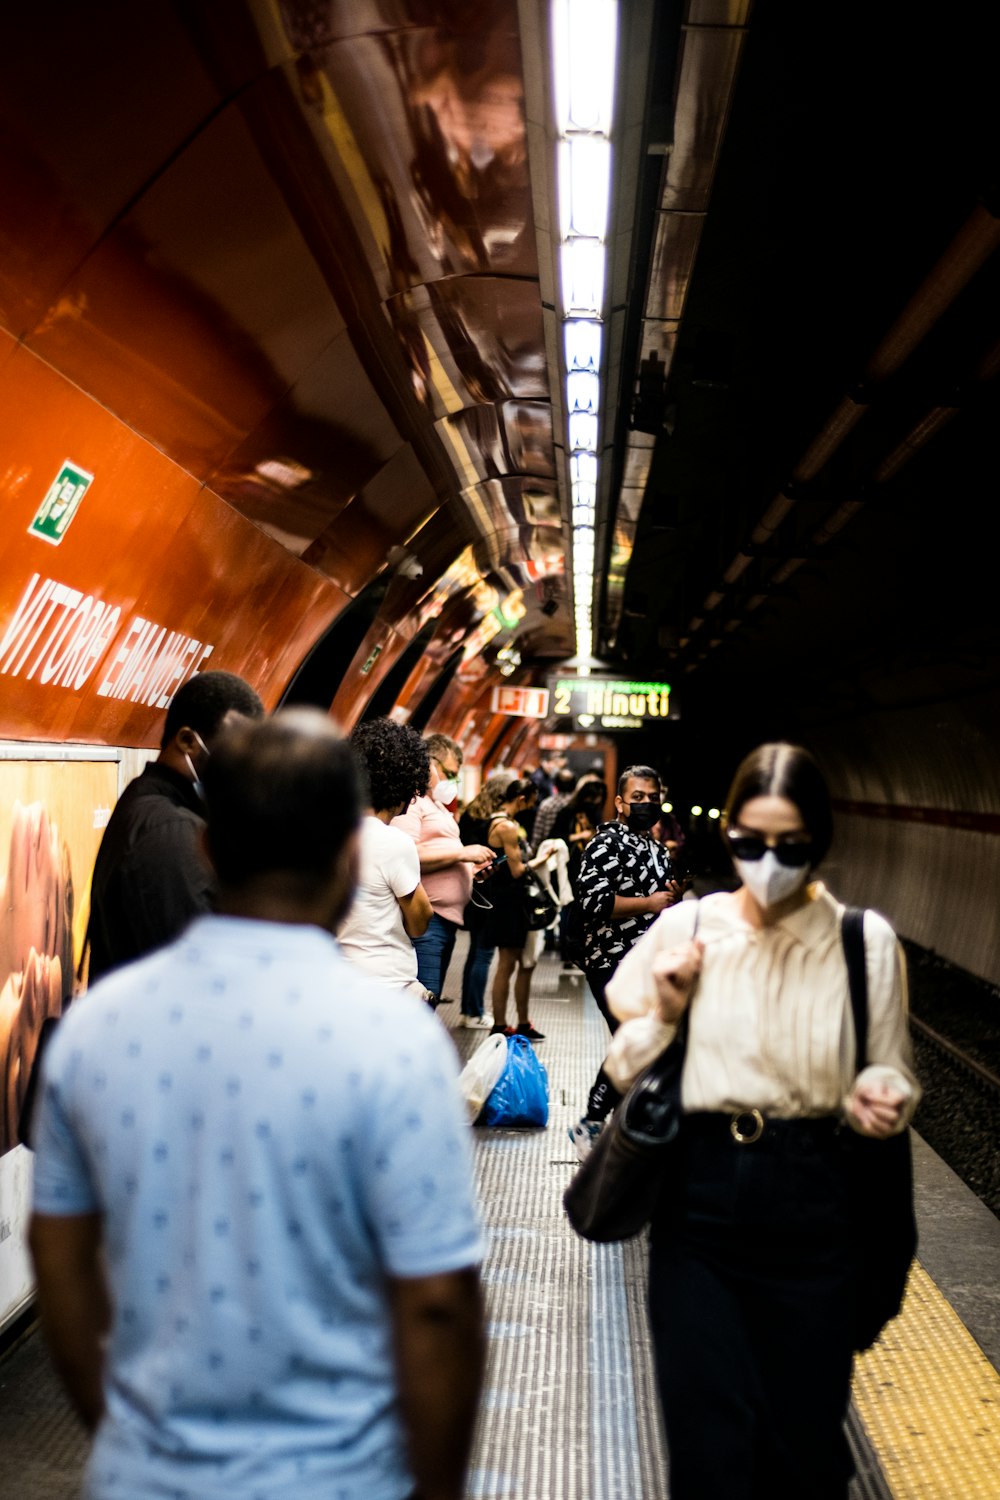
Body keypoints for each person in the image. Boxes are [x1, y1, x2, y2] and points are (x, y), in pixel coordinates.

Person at [29, 708, 486, 1500]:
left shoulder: (95, 1032)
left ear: (208, 845)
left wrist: (125, 1429)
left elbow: (61, 1260)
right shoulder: (397, 1045)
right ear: (349, 855)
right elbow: (438, 1305)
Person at [602, 741, 920, 1500]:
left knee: (803, 1454)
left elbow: (890, 1069)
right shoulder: (688, 931)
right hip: (701, 1209)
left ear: (821, 841)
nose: (767, 860)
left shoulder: (861, 943)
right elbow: (623, 1067)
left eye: (790, 845)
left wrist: (883, 1099)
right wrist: (668, 1015)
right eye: (748, 842)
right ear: (728, 835)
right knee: (709, 1454)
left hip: (818, 1203)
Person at [85, 669, 265, 984]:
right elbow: (198, 972)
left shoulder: (155, 808)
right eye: (231, 752)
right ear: (186, 741)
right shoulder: (170, 833)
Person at [567, 765, 683, 1157]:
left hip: (647, 962)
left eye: (652, 798)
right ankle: (594, 1122)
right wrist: (649, 903)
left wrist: (671, 896)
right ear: (620, 802)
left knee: (642, 1040)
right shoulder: (607, 844)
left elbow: (663, 906)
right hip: (610, 959)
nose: (646, 804)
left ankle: (620, 1124)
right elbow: (593, 902)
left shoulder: (656, 848)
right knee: (637, 1038)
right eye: (637, 798)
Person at [391, 733, 494, 1007]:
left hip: (446, 920)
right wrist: (462, 853)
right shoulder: (413, 805)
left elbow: (440, 853)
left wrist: (469, 870)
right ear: (429, 763)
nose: (451, 780)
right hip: (428, 917)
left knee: (430, 998)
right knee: (424, 1000)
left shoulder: (435, 804)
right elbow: (406, 853)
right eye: (448, 772)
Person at [338, 717, 434, 998]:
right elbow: (419, 922)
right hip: (386, 983)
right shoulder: (393, 842)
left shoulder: (328, 833)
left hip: (337, 978)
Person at [476, 779, 546, 1041]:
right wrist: (544, 858)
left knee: (511, 961)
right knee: (506, 963)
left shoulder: (500, 822)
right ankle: (500, 1024)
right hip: (508, 901)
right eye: (530, 802)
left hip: (507, 899)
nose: (531, 807)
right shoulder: (507, 827)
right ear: (521, 799)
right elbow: (517, 870)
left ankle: (509, 1022)